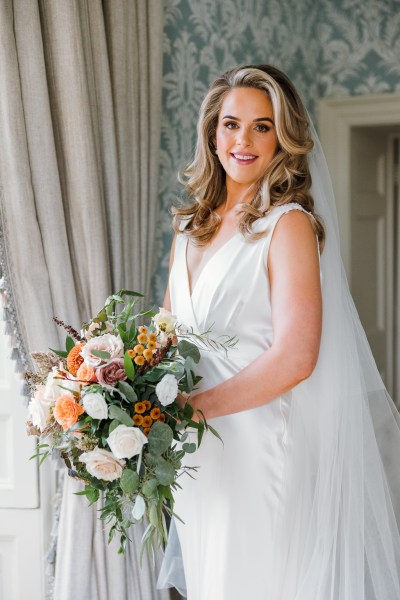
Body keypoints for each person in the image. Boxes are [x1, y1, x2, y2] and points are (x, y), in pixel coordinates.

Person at [157, 65, 400, 600]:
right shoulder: (188, 227)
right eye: (230, 124)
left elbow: (295, 356)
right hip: (201, 455)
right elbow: (165, 338)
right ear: (211, 133)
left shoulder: (286, 225)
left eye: (262, 126)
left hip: (259, 445)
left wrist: (194, 409)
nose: (242, 140)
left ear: (283, 140)